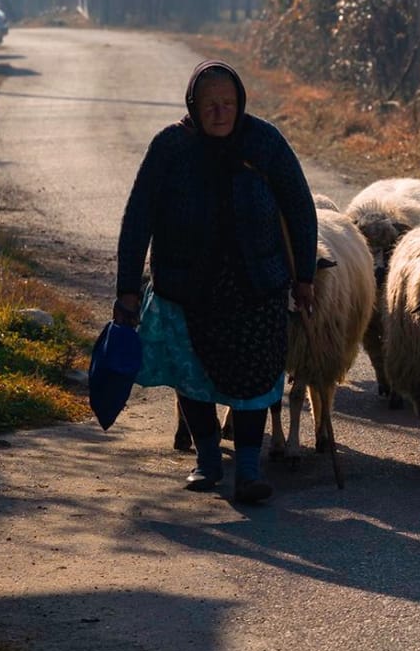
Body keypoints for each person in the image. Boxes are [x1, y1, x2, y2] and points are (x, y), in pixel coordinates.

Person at [115, 60, 318, 504]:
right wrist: (127, 288)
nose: (220, 113)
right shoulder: (171, 146)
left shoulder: (264, 142)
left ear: (240, 102)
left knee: (257, 376)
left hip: (256, 285)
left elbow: (300, 208)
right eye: (210, 104)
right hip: (186, 287)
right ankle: (207, 460)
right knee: (191, 376)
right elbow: (138, 217)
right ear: (193, 104)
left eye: (228, 103)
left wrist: (304, 275)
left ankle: (247, 468)